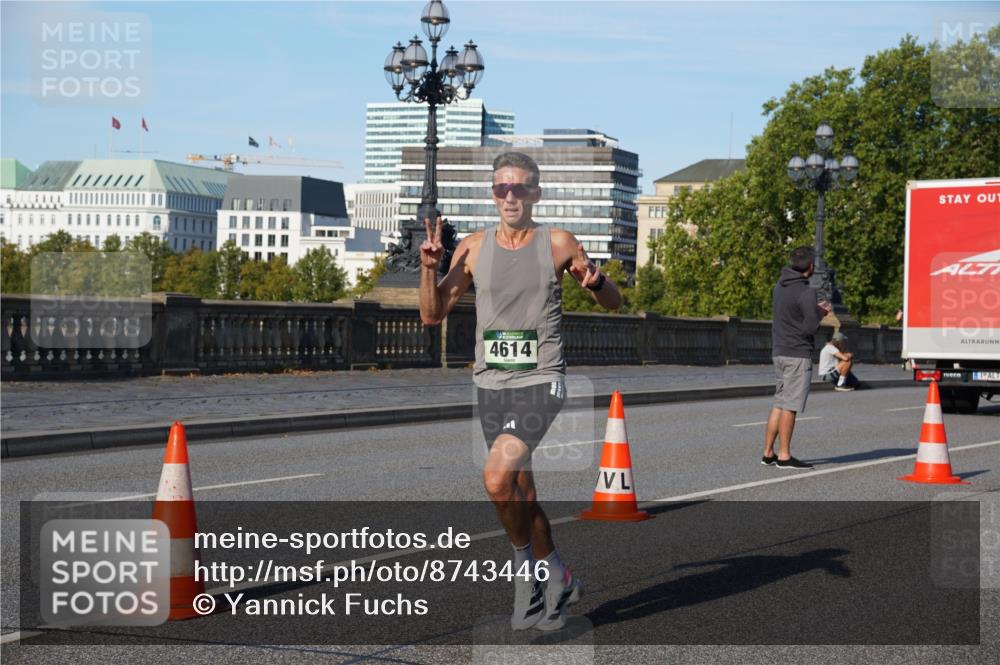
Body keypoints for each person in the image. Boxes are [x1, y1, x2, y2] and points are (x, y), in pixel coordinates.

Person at [419, 152, 623, 631]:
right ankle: (559, 576)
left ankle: (524, 577)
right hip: (490, 383)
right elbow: (431, 314)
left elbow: (613, 302)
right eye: (501, 188)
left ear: (536, 193)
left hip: (541, 380)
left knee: (495, 479)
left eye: (520, 187)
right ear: (493, 194)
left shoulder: (558, 243)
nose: (510, 196)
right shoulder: (471, 248)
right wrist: (429, 268)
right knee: (520, 492)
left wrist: (598, 282)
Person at [762, 246, 831, 470]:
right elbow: (810, 327)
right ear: (810, 267)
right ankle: (784, 455)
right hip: (797, 353)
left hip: (779, 351)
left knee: (779, 402)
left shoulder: (778, 287)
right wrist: (822, 311)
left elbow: (791, 315)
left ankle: (768, 453)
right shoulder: (806, 292)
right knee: (790, 406)